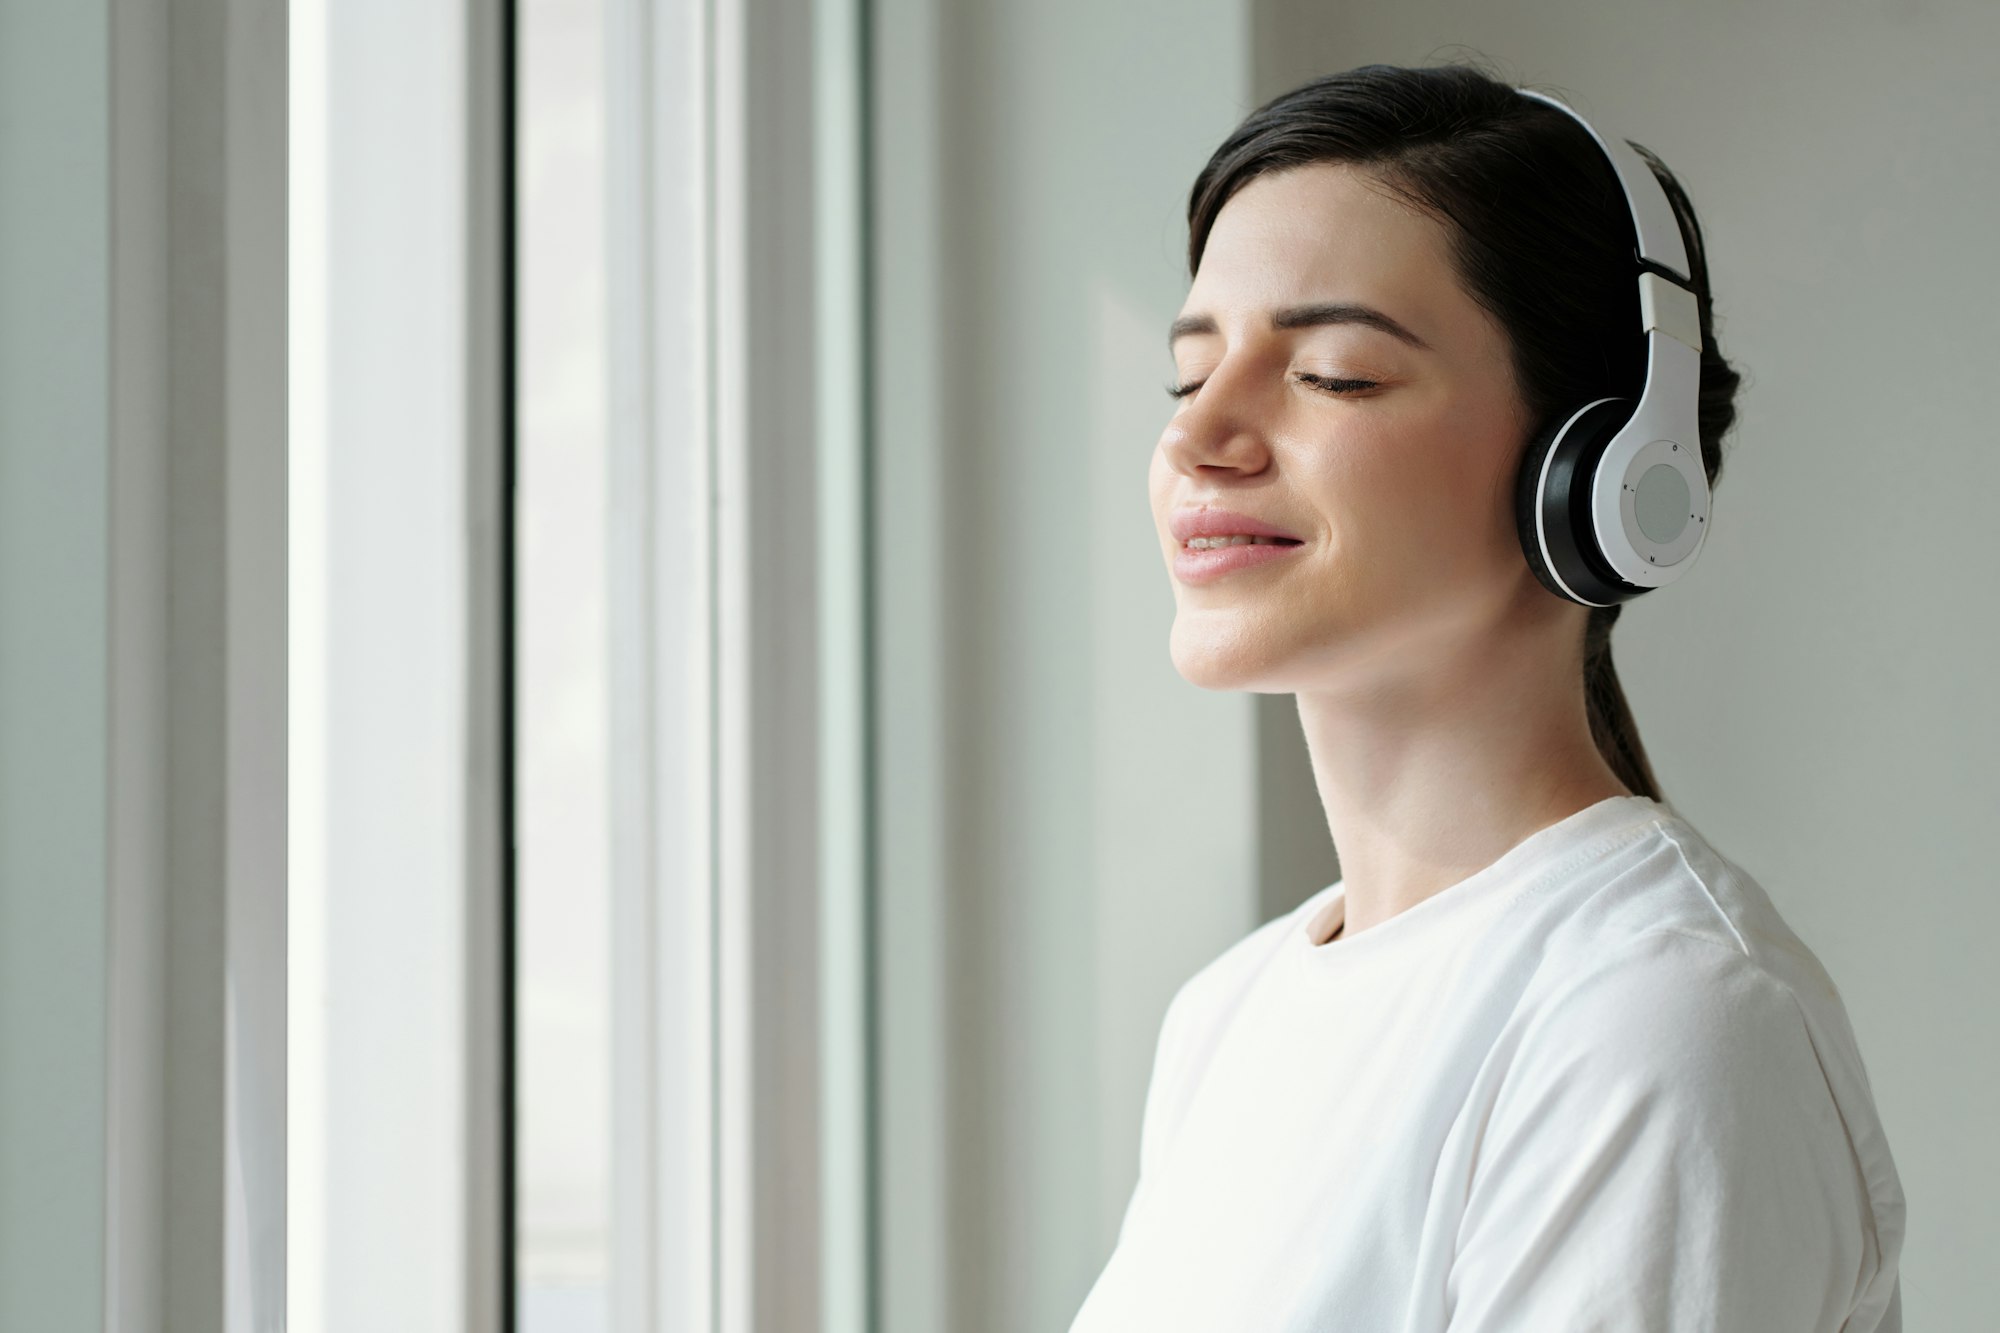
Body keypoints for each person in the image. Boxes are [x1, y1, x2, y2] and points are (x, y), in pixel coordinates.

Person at [1069, 62, 1906, 1332]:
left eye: (1334, 374)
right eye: (1188, 378)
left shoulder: (1654, 1021)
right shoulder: (1227, 1015)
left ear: (1606, 467)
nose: (1200, 438)